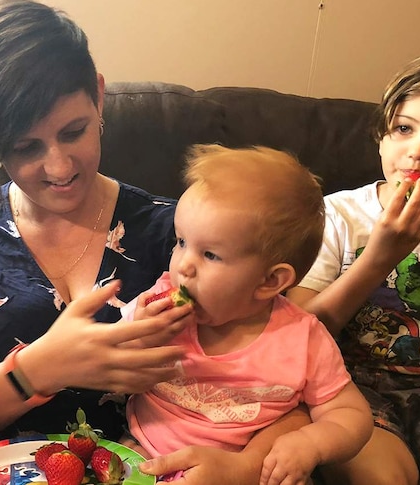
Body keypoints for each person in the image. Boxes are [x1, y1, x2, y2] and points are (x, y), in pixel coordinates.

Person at [0, 1, 314, 483]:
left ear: (99, 96)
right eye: (25, 147)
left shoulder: (184, 237)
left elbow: (286, 384)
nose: (59, 168)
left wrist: (244, 466)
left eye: (73, 131)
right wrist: (40, 368)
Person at [287, 47, 420, 485]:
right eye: (403, 129)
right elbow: (299, 330)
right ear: (381, 137)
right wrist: (380, 257)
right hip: (341, 385)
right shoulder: (336, 216)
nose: (418, 151)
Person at [120, 145, 372, 484]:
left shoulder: (303, 339)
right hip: (147, 456)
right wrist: (140, 336)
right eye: (181, 242)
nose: (184, 266)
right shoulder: (157, 303)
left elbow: (351, 415)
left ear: (270, 281)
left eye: (209, 254)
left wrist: (310, 443)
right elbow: (109, 359)